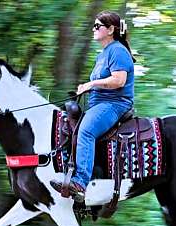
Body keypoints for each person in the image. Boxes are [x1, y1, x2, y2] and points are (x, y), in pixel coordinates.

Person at [51, 10, 135, 202]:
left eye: (98, 26)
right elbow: (102, 80)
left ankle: (80, 183)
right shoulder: (103, 55)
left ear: (111, 29)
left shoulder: (118, 50)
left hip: (115, 104)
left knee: (86, 131)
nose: (94, 28)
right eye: (94, 25)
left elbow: (119, 80)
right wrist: (85, 88)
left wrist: (91, 84)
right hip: (99, 103)